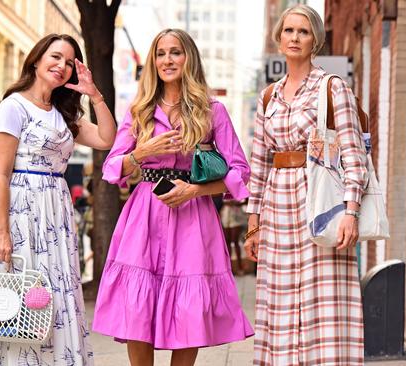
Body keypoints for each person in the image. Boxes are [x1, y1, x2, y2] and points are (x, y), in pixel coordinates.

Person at [0, 33, 116, 366]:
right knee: (12, 294)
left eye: (69, 62)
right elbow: (0, 175)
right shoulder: (13, 107)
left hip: (56, 215)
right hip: (20, 213)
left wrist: (95, 95)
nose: (62, 66)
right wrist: (1, 232)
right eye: (55, 57)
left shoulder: (64, 114)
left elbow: (105, 138)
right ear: (37, 59)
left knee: (51, 295)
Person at [92, 28, 253, 366]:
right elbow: (111, 168)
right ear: (153, 61)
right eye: (161, 53)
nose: (167, 59)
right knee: (137, 308)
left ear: (188, 57)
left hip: (193, 213)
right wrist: (141, 152)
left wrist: (196, 190)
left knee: (189, 309)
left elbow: (240, 172)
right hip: (145, 212)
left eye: (175, 52)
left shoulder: (212, 110)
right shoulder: (140, 111)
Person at [244, 5, 369, 366]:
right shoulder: (268, 97)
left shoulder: (332, 88)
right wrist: (254, 225)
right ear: (279, 38)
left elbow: (352, 152)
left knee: (323, 299)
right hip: (278, 207)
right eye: (289, 31)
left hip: (321, 201)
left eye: (303, 31)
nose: (295, 38)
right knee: (280, 301)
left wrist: (350, 211)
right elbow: (259, 163)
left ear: (315, 39)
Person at [220, 198, 247, 275]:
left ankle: (240, 267)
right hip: (226, 213)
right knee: (227, 242)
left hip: (236, 213)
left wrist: (236, 203)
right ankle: (229, 268)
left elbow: (246, 200)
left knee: (235, 241)